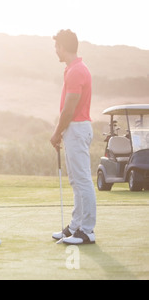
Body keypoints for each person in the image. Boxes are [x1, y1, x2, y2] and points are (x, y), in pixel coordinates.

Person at [50, 30, 97, 245]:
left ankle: (87, 231)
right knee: (76, 181)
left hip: (76, 128)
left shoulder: (77, 71)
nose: (55, 50)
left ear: (63, 47)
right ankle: (76, 226)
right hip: (74, 130)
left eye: (57, 45)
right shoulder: (72, 69)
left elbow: (69, 109)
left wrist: (57, 132)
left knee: (83, 180)